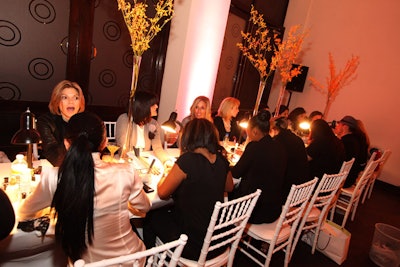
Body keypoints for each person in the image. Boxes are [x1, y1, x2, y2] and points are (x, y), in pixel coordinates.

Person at [18, 112, 151, 264]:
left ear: (67, 143)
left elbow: (24, 212)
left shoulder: (53, 178)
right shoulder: (125, 171)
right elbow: (145, 207)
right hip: (132, 260)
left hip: (89, 263)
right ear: (105, 142)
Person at [143, 118, 234, 260]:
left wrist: (165, 175)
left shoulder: (188, 160)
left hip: (193, 245)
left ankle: (151, 261)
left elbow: (162, 193)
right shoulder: (221, 160)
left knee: (151, 217)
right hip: (218, 242)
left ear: (189, 137)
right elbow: (229, 186)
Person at [230, 110, 287, 223]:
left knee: (225, 193)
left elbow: (236, 173)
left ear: (255, 131)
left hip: (253, 211)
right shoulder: (279, 147)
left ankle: (227, 234)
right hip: (273, 210)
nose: (248, 135)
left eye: (248, 132)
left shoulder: (254, 147)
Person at [37, 80, 85, 166]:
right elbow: (55, 158)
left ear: (80, 103)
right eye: (65, 97)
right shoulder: (46, 121)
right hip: (53, 170)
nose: (71, 102)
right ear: (57, 101)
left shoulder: (86, 121)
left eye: (76, 98)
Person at [116, 91, 171, 163]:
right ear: (143, 106)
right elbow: (123, 146)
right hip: (127, 160)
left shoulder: (153, 123)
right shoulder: (125, 119)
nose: (157, 106)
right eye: (153, 104)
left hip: (144, 159)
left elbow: (157, 147)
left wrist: (166, 161)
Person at [271, 117, 309, 202]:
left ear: (275, 129)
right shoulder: (297, 139)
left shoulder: (278, 140)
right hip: (301, 187)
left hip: (288, 190)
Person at [334, 116, 369, 188]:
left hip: (341, 180)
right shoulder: (353, 140)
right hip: (350, 178)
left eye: (339, 124)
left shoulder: (345, 142)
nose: (336, 126)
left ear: (345, 127)